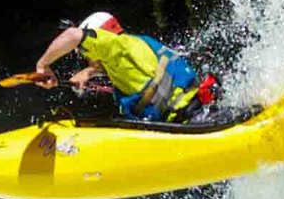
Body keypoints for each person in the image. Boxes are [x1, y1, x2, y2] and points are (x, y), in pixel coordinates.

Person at [32, 10, 213, 124]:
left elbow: (72, 36)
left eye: (87, 55)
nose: (87, 59)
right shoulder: (136, 44)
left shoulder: (113, 46)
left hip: (191, 123)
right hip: (197, 112)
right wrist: (89, 72)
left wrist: (43, 65)